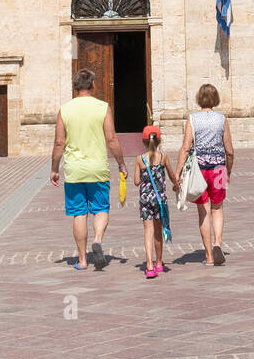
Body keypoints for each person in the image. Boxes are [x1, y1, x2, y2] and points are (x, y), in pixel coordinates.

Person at [50, 68, 128, 271]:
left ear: (74, 87)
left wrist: (54, 169)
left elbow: (59, 143)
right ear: (93, 85)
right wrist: (121, 163)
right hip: (97, 169)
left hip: (74, 170)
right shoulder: (103, 107)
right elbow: (111, 139)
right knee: (101, 209)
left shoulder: (64, 110)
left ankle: (83, 260)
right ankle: (98, 240)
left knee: (79, 214)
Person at [175, 83, 234, 266]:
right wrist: (228, 170)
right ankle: (217, 242)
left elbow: (185, 148)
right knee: (218, 208)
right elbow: (229, 151)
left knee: (203, 211)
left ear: (199, 98)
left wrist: (177, 173)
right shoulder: (222, 119)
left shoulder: (193, 119)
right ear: (215, 99)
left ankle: (208, 255)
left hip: (199, 170)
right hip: (218, 169)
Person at [133, 125, 178, 279]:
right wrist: (176, 184)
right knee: (159, 231)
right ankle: (159, 263)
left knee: (148, 232)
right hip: (159, 200)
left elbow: (136, 181)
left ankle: (149, 266)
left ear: (144, 141)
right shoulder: (163, 156)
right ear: (159, 140)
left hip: (145, 199)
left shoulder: (139, 159)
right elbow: (171, 175)